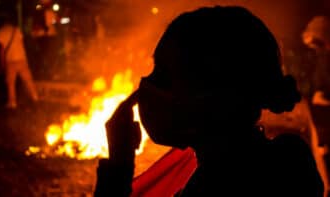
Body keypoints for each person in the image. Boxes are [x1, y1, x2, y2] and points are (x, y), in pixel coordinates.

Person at [95, 6, 324, 196]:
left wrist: (118, 169)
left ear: (212, 95)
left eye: (164, 74)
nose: (147, 87)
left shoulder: (216, 186)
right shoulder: (289, 161)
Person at [0, 17, 38, 109]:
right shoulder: (16, 30)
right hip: (21, 58)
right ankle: (35, 96)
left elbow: (2, 50)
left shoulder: (1, 32)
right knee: (28, 80)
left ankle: (12, 102)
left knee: (11, 83)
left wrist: (2, 63)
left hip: (10, 60)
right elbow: (21, 43)